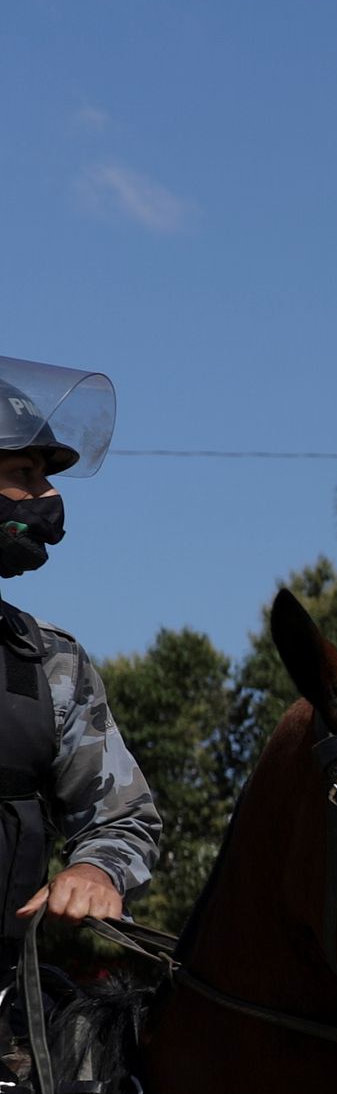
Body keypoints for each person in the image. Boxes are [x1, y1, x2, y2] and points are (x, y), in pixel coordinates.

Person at [0, 357, 161, 935]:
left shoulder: (47, 661)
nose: (46, 496)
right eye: (23, 472)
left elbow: (123, 818)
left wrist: (96, 871)